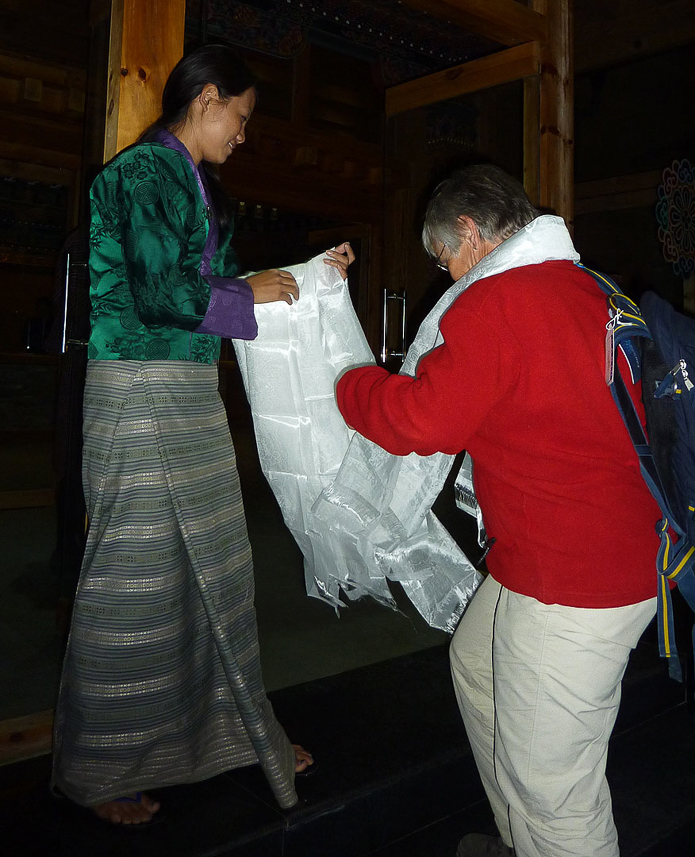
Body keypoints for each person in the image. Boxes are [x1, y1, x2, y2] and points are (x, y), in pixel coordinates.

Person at [52, 43, 354, 826]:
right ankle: (100, 767)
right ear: (208, 97)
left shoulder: (199, 187)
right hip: (137, 389)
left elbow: (234, 290)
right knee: (132, 577)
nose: (244, 134)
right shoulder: (140, 173)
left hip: (186, 393)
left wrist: (317, 274)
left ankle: (236, 732)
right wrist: (246, 291)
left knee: (213, 568)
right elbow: (161, 293)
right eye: (243, 118)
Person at [335, 164, 660, 857]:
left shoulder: (498, 299)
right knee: (477, 666)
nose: (447, 275)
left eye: (443, 257)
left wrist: (347, 382)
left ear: (469, 233)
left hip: (570, 580)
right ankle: (523, 842)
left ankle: (544, 834)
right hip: (597, 552)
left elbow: (422, 422)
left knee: (555, 786)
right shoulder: (586, 286)